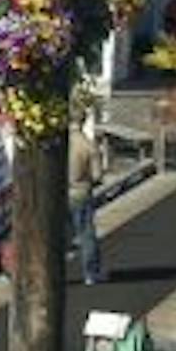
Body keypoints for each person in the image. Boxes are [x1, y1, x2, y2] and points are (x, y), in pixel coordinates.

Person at [69, 118, 105, 284]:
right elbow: (97, 176)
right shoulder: (88, 146)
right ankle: (91, 272)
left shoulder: (60, 143)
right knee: (86, 234)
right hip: (81, 192)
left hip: (61, 194)